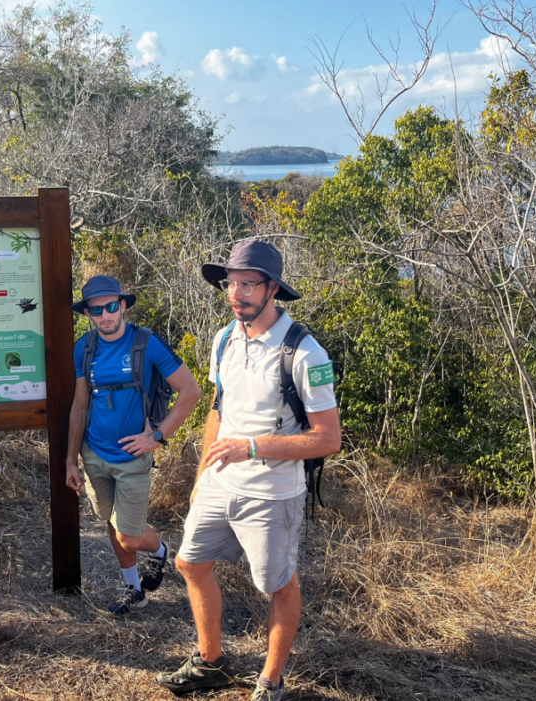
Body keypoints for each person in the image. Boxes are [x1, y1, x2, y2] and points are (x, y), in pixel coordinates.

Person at [157, 239, 341, 701]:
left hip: (274, 491)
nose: (235, 293)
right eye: (230, 283)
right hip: (221, 482)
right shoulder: (224, 338)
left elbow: (328, 438)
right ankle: (211, 662)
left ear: (272, 288)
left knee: (278, 585)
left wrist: (254, 447)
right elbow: (218, 411)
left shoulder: (304, 353)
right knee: (190, 562)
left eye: (246, 284)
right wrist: (202, 476)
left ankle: (270, 682)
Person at [64, 275, 202, 615]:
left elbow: (191, 392)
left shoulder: (146, 343)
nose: (105, 315)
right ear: (88, 314)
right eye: (96, 310)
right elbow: (80, 405)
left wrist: (157, 436)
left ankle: (159, 552)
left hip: (132, 456)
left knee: (128, 535)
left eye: (111, 307)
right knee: (112, 525)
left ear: (123, 305)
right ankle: (132, 587)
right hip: (95, 453)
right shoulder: (84, 347)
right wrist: (71, 460)